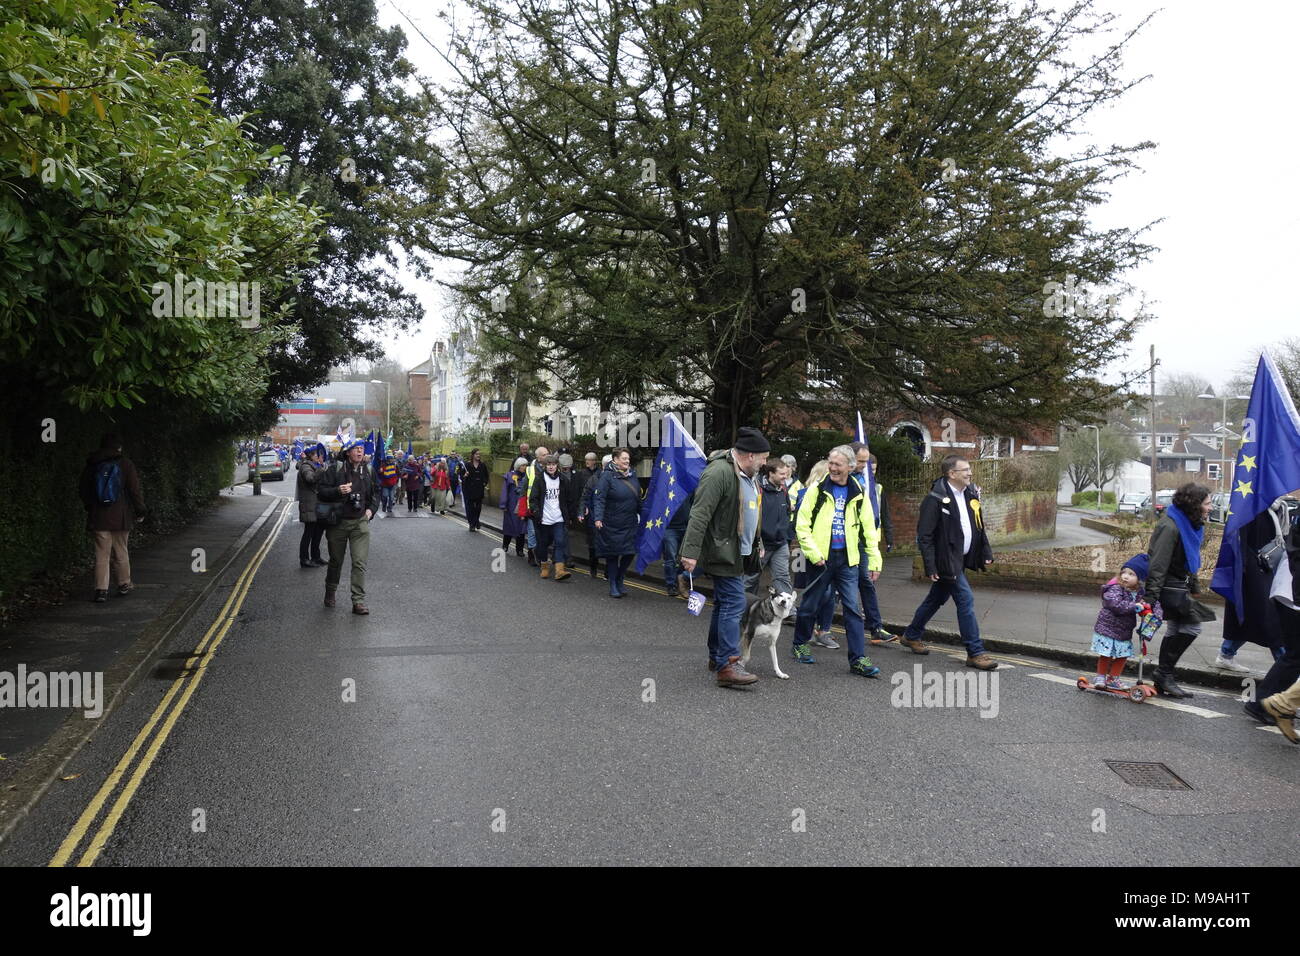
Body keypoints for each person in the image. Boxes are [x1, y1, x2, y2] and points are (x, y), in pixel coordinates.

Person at [679, 427, 770, 686]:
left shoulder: (747, 474)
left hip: (737, 551)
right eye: (763, 457)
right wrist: (690, 552)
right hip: (722, 550)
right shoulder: (719, 472)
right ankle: (728, 664)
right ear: (750, 455)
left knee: (724, 604)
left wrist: (756, 542)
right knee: (734, 602)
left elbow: (749, 509)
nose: (765, 463)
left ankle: (716, 657)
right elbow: (700, 513)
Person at [789, 444, 883, 679]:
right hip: (820, 559)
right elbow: (802, 525)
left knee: (853, 609)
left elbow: (869, 528)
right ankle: (800, 643)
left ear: (850, 467)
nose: (832, 468)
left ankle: (858, 659)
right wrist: (813, 553)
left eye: (837, 464)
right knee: (810, 604)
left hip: (848, 560)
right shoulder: (817, 490)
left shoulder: (859, 492)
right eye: (830, 463)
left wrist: (874, 560)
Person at [900, 455, 998, 670]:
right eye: (965, 470)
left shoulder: (971, 494)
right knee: (965, 599)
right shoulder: (935, 498)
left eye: (969, 469)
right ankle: (975, 652)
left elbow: (978, 525)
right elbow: (924, 536)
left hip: (960, 559)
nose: (970, 473)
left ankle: (911, 634)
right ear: (951, 474)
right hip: (946, 560)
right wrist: (930, 565)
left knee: (936, 598)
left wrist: (985, 551)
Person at [1145, 482, 1215, 698]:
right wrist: (1150, 597)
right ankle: (1163, 673)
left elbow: (1189, 560)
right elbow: (1158, 563)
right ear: (1194, 505)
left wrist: (1194, 586)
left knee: (1176, 629)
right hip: (1169, 587)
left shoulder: (1190, 525)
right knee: (1193, 628)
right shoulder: (1171, 526)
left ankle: (1164, 676)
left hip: (1179, 585)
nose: (1211, 507)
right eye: (1207, 503)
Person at [78, 432, 146, 603]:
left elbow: (83, 489)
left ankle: (101, 590)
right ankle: (124, 584)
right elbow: (134, 491)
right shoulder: (125, 463)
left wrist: (90, 506)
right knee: (121, 550)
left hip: (99, 515)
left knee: (102, 553)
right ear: (119, 447)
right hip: (121, 516)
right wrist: (140, 511)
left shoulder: (93, 463)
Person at [850, 443, 905, 648]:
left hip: (866, 541)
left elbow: (883, 515)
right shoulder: (845, 482)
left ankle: (875, 628)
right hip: (843, 543)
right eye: (863, 464)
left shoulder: (876, 488)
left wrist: (888, 538)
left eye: (870, 466)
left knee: (866, 583)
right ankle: (817, 626)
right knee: (828, 588)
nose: (867, 469)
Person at [316, 439, 380, 614]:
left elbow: (376, 493)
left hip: (360, 523)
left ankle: (358, 601)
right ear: (348, 452)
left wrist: (371, 511)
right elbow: (320, 491)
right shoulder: (335, 470)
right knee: (336, 561)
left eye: (361, 449)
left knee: (359, 562)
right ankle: (330, 590)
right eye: (356, 449)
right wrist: (338, 490)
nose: (360, 452)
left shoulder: (368, 470)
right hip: (338, 523)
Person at [1089, 555, 1159, 689]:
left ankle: (1113, 678)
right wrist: (1135, 606)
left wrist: (1149, 610)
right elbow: (1115, 604)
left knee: (1123, 655)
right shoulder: (1115, 588)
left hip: (1124, 631)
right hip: (1108, 628)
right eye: (1124, 572)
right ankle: (1100, 677)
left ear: (1140, 579)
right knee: (1106, 654)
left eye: (1131, 574)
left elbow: (1144, 604)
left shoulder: (1139, 592)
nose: (1126, 576)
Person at [592, 447, 641, 597]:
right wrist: (598, 517)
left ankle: (620, 577)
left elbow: (638, 497)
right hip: (612, 523)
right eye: (624, 458)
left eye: (628, 458)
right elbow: (599, 498)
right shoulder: (607, 476)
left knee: (630, 552)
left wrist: (644, 515)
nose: (627, 461)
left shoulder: (633, 475)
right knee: (613, 555)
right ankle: (613, 584)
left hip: (630, 522)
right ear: (615, 460)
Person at [745, 460, 796, 595]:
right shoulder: (757, 488)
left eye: (786, 474)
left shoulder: (783, 489)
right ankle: (742, 608)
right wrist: (758, 540)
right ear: (771, 474)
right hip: (761, 543)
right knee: (751, 578)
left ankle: (789, 612)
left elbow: (787, 511)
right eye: (782, 474)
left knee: (783, 577)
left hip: (780, 543)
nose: (785, 477)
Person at [529, 454, 575, 580]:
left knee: (560, 542)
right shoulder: (539, 479)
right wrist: (537, 513)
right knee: (543, 544)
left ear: (557, 466)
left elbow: (569, 499)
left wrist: (570, 515)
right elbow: (533, 499)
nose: (551, 467)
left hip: (558, 518)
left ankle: (559, 570)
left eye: (553, 465)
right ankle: (544, 566)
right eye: (548, 465)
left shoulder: (563, 480)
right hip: (544, 519)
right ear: (545, 466)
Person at [296, 444, 328, 568]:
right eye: (317, 455)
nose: (319, 457)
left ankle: (316, 557)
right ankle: (304, 559)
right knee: (308, 534)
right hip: (309, 505)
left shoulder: (315, 466)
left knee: (317, 533)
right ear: (311, 456)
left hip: (316, 505)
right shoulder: (306, 467)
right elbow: (310, 479)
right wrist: (321, 469)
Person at [661, 488, 694, 599]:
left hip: (686, 527)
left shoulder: (689, 485)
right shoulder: (667, 483)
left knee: (684, 558)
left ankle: (681, 583)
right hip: (670, 528)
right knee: (670, 557)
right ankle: (671, 585)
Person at [577, 453, 603, 578]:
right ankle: (593, 567)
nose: (587, 462)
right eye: (586, 460)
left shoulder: (605, 476)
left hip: (606, 515)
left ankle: (609, 571)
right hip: (591, 513)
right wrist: (581, 509)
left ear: (595, 461)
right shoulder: (582, 474)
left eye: (590, 460)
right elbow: (581, 494)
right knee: (592, 542)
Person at [498, 456, 530, 557]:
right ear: (518, 466)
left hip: (522, 506)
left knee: (521, 529)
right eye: (522, 465)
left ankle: (519, 550)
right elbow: (504, 491)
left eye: (526, 465)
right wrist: (503, 504)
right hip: (511, 506)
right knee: (509, 527)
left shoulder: (528, 476)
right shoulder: (509, 475)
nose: (524, 467)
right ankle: (505, 545)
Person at [460, 448, 490, 531]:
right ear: (473, 455)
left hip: (479, 489)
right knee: (470, 508)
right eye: (477, 454)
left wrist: (484, 483)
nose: (478, 455)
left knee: (478, 507)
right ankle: (472, 524)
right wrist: (465, 475)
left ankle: (476, 520)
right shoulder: (467, 465)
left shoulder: (482, 465)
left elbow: (486, 476)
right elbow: (461, 476)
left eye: (479, 454)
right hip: (469, 489)